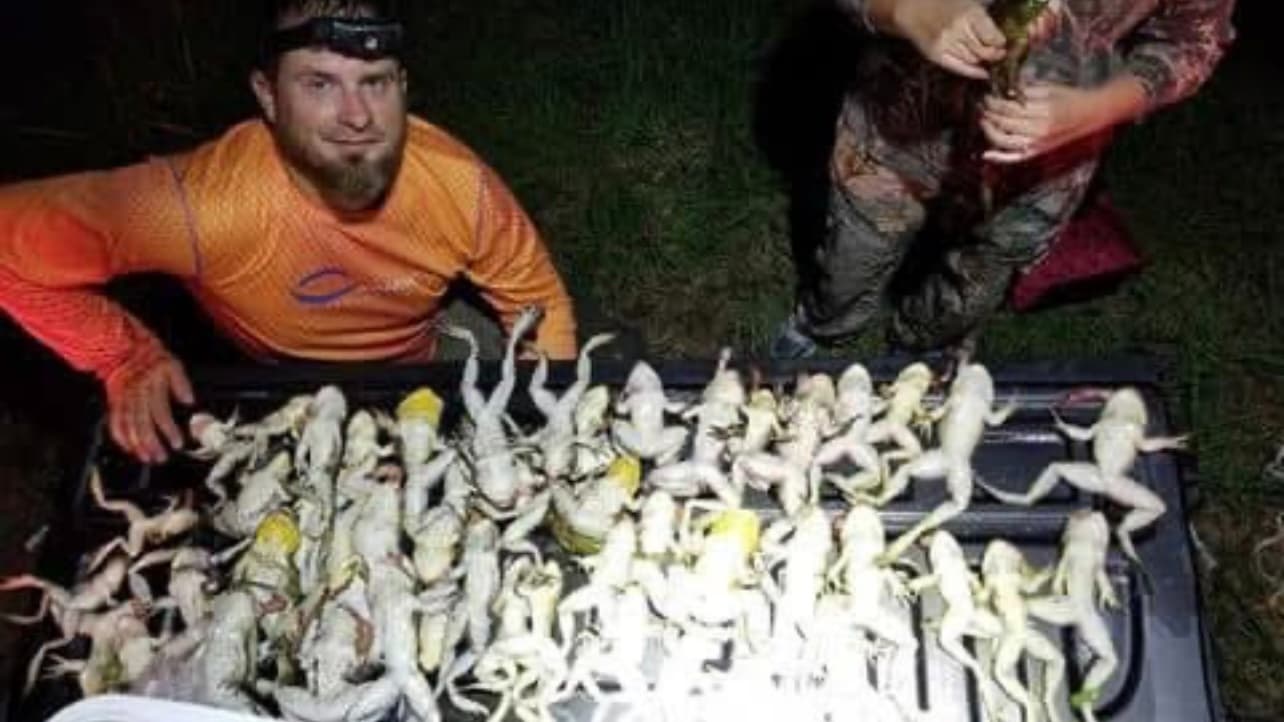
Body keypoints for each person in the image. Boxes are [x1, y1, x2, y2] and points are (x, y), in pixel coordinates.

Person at [0, 0, 578, 464]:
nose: (357, 116)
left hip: (428, 353)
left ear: (404, 88)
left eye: (375, 82)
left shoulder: (458, 186)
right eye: (320, 84)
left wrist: (541, 433)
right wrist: (123, 357)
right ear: (268, 97)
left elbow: (537, 301)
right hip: (283, 386)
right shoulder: (202, 208)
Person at [769, 0, 1235, 360]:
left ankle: (920, 347)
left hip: (1045, 159)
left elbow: (1192, 41)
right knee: (853, 251)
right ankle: (827, 325)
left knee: (978, 279)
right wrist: (904, 10)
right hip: (897, 124)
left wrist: (1098, 108)